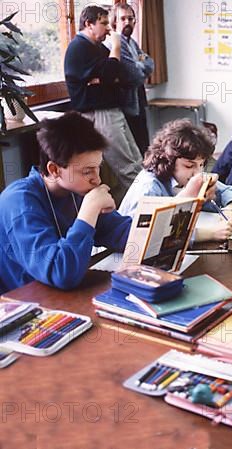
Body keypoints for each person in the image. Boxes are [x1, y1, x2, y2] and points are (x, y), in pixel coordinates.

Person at [0, 113, 132, 294]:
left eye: (98, 168)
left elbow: (120, 232)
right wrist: (89, 211)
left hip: (63, 296)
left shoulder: (76, 190)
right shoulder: (19, 203)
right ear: (54, 169)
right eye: (87, 172)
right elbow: (61, 273)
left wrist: (169, 233)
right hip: (25, 305)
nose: (97, 179)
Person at [119, 119, 232, 242]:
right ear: (168, 160)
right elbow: (141, 235)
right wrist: (209, 234)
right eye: (189, 165)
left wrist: (231, 210)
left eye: (202, 164)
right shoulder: (149, 186)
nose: (197, 173)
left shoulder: (188, 177)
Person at [64, 5, 142, 203]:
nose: (109, 29)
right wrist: (116, 49)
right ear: (89, 24)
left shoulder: (98, 48)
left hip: (112, 111)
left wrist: (105, 77)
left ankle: (146, 205)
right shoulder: (79, 48)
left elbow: (123, 75)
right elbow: (110, 73)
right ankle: (146, 209)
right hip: (99, 114)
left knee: (136, 164)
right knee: (127, 169)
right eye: (105, 23)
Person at [108, 2, 154, 153]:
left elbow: (150, 64)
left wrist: (137, 64)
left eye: (130, 18)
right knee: (135, 149)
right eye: (122, 19)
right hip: (126, 104)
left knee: (144, 145)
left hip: (138, 100)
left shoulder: (132, 43)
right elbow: (133, 76)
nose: (127, 22)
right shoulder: (117, 42)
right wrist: (139, 65)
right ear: (114, 22)